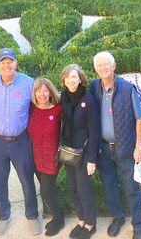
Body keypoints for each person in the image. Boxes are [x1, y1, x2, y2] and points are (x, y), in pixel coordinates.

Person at [0, 47, 42, 236]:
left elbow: (39, 106)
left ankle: (32, 215)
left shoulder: (28, 83)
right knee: (0, 181)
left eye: (10, 62)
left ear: (16, 63)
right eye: (3, 62)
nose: (7, 65)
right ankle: (4, 216)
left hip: (20, 140)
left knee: (27, 179)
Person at [90, 51, 141, 239]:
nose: (103, 68)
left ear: (114, 66)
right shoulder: (93, 87)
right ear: (95, 69)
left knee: (132, 189)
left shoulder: (127, 88)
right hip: (104, 149)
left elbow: (139, 118)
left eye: (106, 64)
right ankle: (118, 217)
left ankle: (138, 225)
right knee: (109, 186)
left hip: (125, 148)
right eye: (99, 65)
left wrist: (138, 147)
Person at [59, 64, 100, 239]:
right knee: (73, 188)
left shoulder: (88, 100)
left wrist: (92, 160)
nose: (71, 80)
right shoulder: (64, 96)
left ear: (80, 78)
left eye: (74, 77)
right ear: (63, 80)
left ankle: (91, 224)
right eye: (67, 78)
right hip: (69, 152)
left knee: (84, 190)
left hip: (83, 154)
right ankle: (81, 220)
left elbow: (94, 132)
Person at [27, 78, 64, 236]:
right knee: (48, 190)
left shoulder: (58, 110)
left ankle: (59, 218)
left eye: (45, 90)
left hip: (51, 158)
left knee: (46, 191)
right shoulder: (31, 109)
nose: (42, 94)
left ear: (50, 92)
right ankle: (58, 215)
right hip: (35, 158)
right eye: (38, 91)